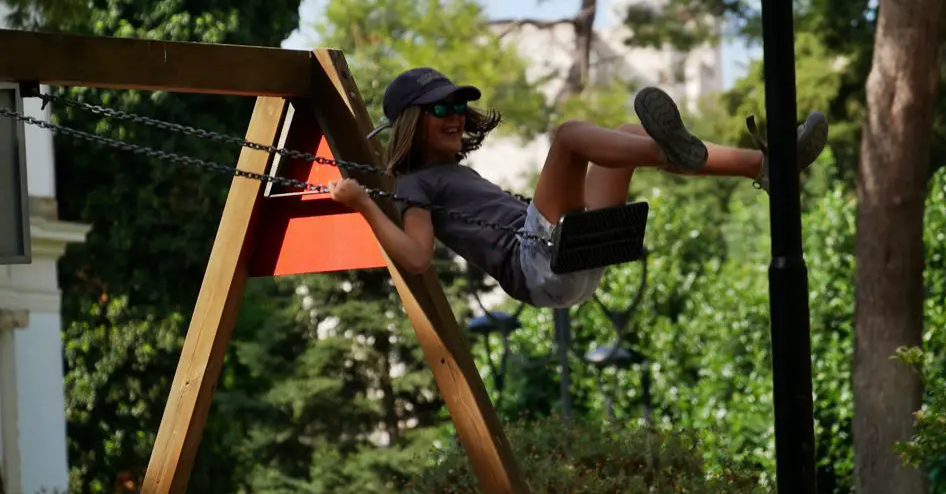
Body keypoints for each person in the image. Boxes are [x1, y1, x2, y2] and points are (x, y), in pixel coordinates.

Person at [328, 67, 828, 309]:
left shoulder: (444, 176)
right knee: (569, 136)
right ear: (413, 122)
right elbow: (416, 259)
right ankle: (671, 152)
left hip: (569, 260)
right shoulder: (413, 186)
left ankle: (768, 165)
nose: (454, 116)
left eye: (457, 106)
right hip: (537, 265)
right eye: (440, 109)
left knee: (628, 136)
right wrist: (361, 204)